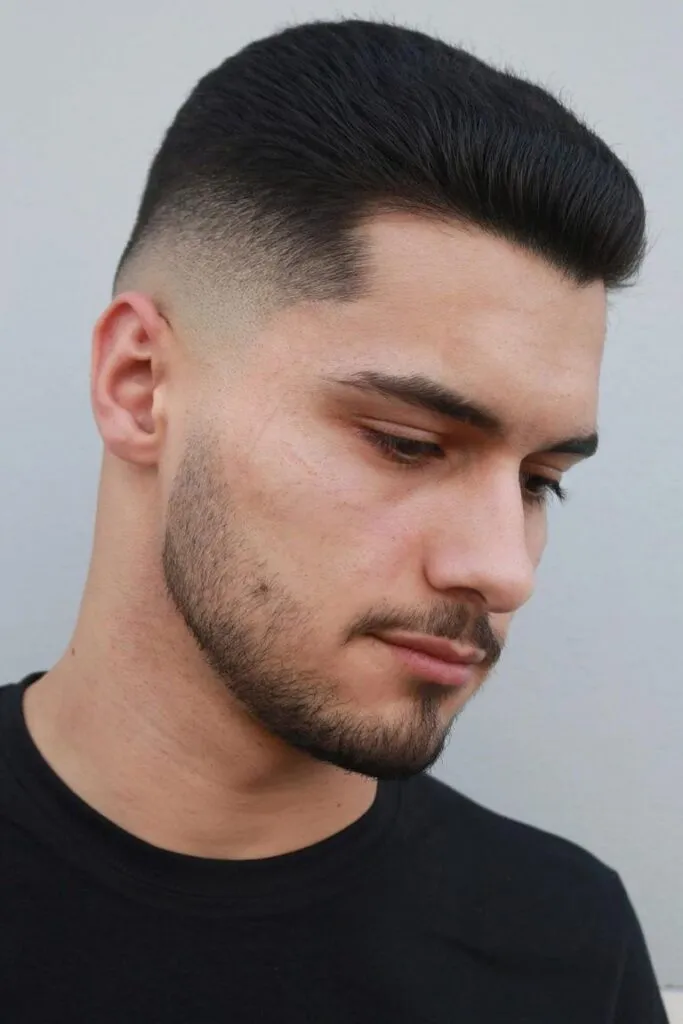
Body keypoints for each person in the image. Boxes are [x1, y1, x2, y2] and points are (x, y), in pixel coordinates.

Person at [1, 17, 668, 1023]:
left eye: (538, 481)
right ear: (140, 385)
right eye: (405, 441)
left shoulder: (562, 949)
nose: (503, 569)